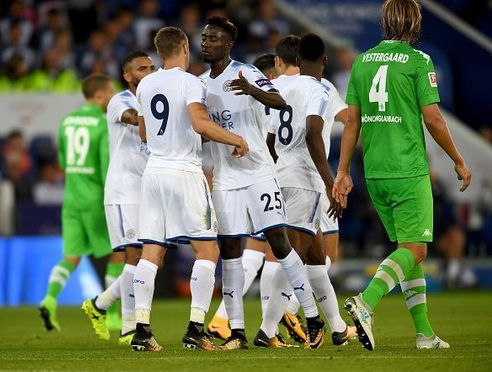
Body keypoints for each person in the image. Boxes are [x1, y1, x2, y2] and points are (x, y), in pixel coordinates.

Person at [333, 0, 472, 351]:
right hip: (407, 169)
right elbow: (433, 118)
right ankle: (366, 302)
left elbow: (353, 121)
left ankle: (424, 334)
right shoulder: (418, 61)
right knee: (416, 248)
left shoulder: (363, 61)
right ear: (414, 23)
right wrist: (457, 159)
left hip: (375, 172)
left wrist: (343, 171)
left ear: (384, 22)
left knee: (408, 252)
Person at [200, 16, 325, 350]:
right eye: (204, 37)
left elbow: (280, 102)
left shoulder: (247, 72)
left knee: (279, 242)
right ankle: (237, 332)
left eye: (213, 38)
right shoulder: (199, 83)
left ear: (228, 44)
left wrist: (252, 90)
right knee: (229, 251)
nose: (206, 42)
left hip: (258, 173)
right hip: (226, 177)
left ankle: (313, 319)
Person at [130, 26, 249, 352]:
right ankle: (196, 328)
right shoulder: (191, 82)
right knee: (207, 251)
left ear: (158, 51)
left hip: (153, 173)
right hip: (184, 171)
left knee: (151, 253)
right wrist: (235, 138)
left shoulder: (146, 85)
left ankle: (141, 330)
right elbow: (198, 123)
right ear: (184, 46)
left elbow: (144, 133)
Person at [261, 34, 356, 346]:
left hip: (282, 174)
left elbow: (271, 140)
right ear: (324, 61)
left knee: (316, 259)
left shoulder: (282, 86)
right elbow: (314, 133)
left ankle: (339, 329)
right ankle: (268, 329)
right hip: (306, 180)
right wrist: (331, 184)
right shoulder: (320, 89)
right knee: (294, 257)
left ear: (297, 61)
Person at [81, 51, 156, 345]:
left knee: (150, 258)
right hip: (124, 190)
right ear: (128, 76)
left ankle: (99, 305)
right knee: (135, 257)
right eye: (142, 68)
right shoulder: (120, 100)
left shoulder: (154, 100)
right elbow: (134, 120)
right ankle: (128, 326)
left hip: (147, 189)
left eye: (152, 67)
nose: (149, 71)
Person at [39, 73, 122, 332]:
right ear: (99, 94)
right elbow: (105, 167)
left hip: (71, 199)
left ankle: (49, 299)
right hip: (95, 198)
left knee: (71, 256)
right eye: (109, 92)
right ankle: (112, 314)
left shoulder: (67, 121)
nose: (111, 97)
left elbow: (63, 164)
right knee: (118, 252)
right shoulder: (101, 123)